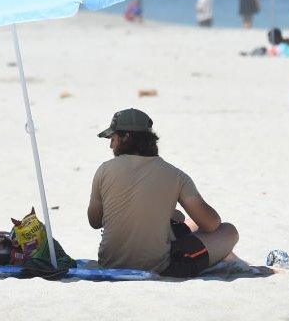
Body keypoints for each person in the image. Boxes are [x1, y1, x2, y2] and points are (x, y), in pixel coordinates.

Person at [87, 109, 239, 277]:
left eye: (113, 139)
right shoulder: (175, 175)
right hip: (159, 267)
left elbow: (94, 221)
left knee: (187, 223)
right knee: (228, 231)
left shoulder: (103, 170)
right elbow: (211, 224)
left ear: (127, 137)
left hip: (109, 263)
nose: (111, 145)